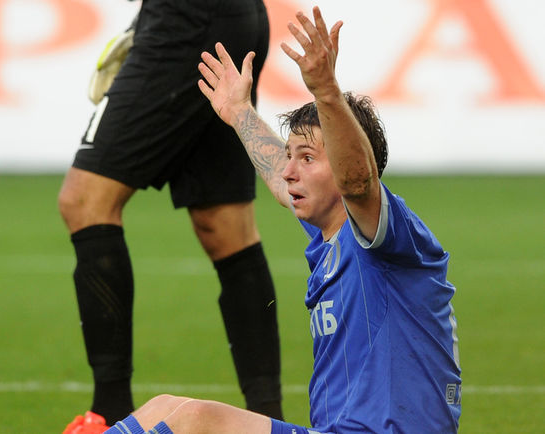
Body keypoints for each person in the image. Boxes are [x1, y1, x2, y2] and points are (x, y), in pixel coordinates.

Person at [98, 5, 462, 433]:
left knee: (196, 420)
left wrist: (327, 92)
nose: (289, 170)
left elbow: (358, 180)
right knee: (164, 408)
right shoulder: (332, 234)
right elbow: (278, 175)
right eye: (291, 156)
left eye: (307, 158)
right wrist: (239, 111)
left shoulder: (385, 232)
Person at [58, 0, 284, 431]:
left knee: (84, 199)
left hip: (186, 22)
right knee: (223, 224)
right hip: (232, 19)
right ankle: (268, 422)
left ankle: (109, 416)